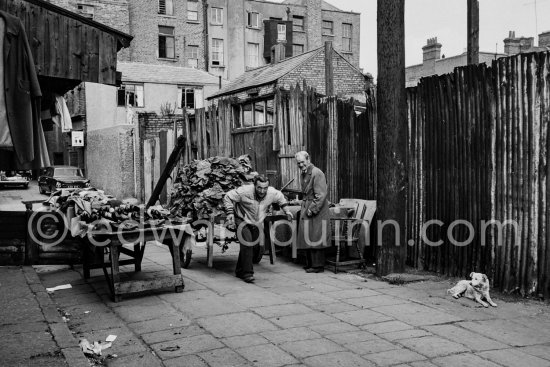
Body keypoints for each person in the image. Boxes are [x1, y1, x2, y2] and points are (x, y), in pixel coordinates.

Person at [223, 175, 293, 283]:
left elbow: (281, 198)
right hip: (241, 218)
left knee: (253, 243)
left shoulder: (272, 193)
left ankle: (240, 270)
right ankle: (247, 274)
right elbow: (228, 196)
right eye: (259, 187)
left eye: (265, 188)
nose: (262, 191)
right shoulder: (244, 191)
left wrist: (287, 211)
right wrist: (229, 212)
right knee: (247, 242)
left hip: (256, 221)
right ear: (254, 185)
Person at [295, 151, 331, 273]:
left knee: (316, 236)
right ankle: (311, 263)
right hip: (307, 206)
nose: (301, 165)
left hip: (317, 209)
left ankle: (318, 266)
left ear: (308, 159)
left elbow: (321, 195)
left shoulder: (317, 173)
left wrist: (312, 209)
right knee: (308, 235)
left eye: (302, 162)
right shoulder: (304, 173)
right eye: (298, 163)